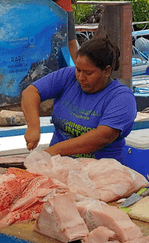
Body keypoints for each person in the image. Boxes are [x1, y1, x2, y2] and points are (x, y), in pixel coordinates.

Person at [21, 34, 136, 164]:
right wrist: (33, 127)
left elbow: (101, 137)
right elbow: (30, 92)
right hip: (59, 166)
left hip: (101, 173)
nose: (81, 77)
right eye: (78, 70)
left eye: (88, 73)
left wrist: (52, 151)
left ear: (106, 71)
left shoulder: (122, 98)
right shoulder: (68, 76)